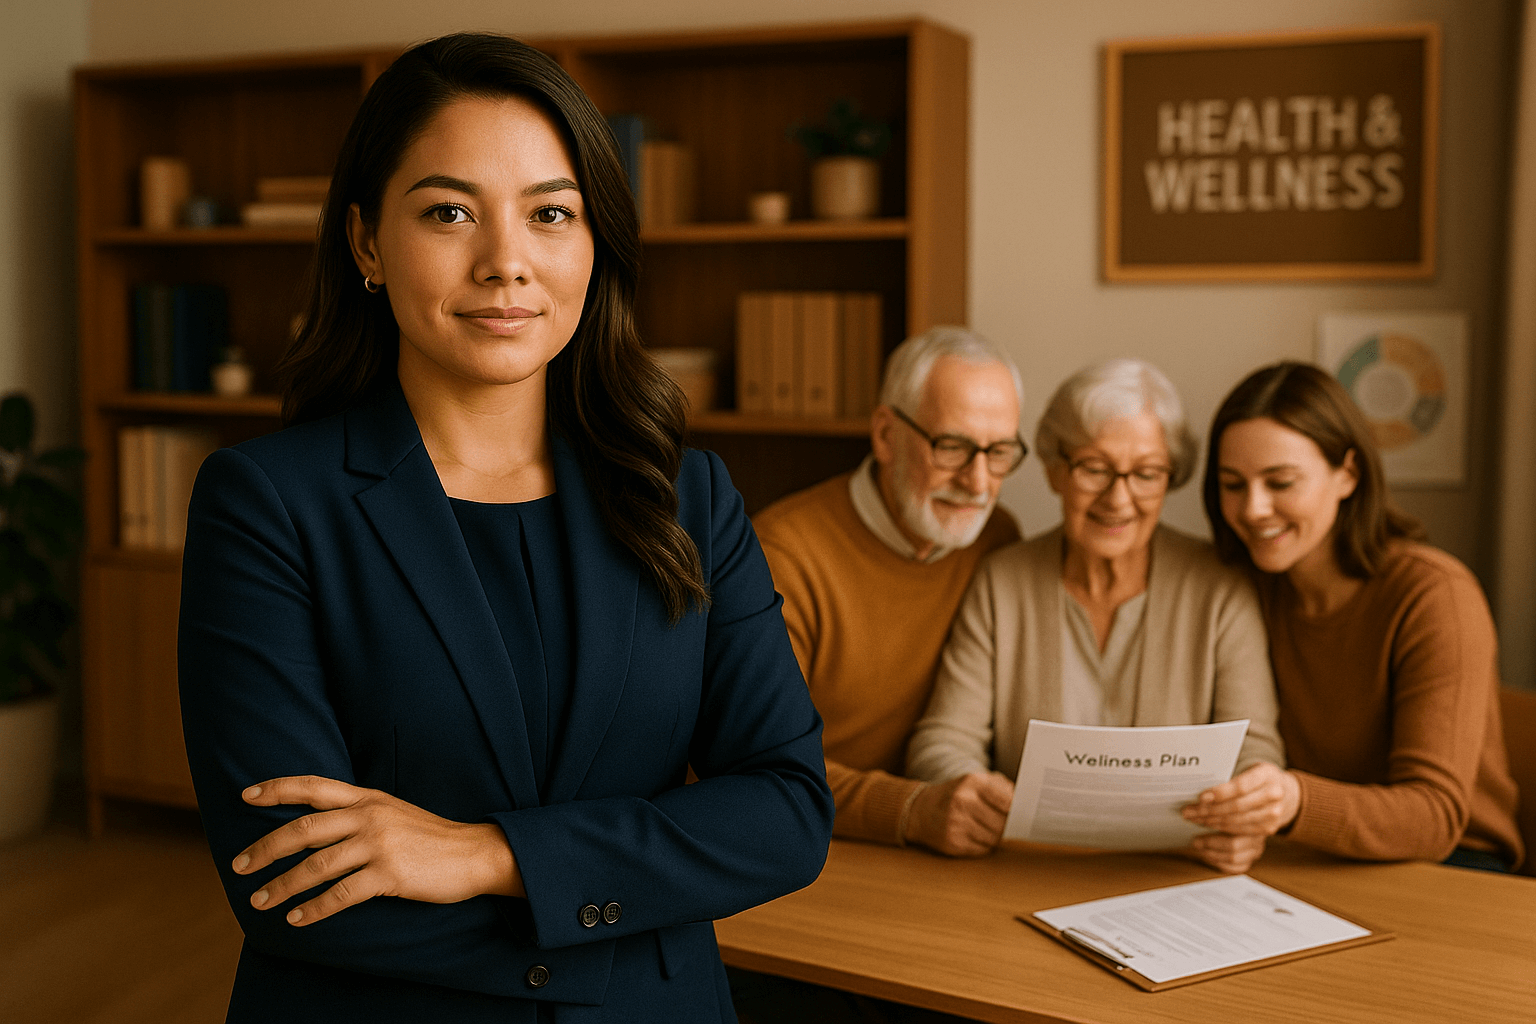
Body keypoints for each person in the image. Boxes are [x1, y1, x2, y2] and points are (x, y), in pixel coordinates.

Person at [176, 33, 833, 1024]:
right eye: (449, 212)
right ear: (365, 242)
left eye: (550, 214)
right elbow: (298, 889)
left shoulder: (690, 498)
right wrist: (623, 915)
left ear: (594, 241)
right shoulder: (265, 503)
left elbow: (785, 813)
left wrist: (485, 854)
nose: (505, 263)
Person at [907, 358, 1285, 874]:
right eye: (1094, 468)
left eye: (1147, 474)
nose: (1119, 498)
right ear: (1054, 469)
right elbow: (943, 738)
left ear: (1169, 478)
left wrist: (1245, 813)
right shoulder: (1003, 580)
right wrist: (970, 793)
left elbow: (1254, 747)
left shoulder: (1221, 587)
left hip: (1178, 875)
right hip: (1021, 870)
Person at [1185, 361, 1524, 872]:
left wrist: (1294, 801)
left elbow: (1434, 816)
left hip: (1454, 866)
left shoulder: (1434, 596)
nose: (1253, 509)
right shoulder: (1242, 586)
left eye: (1280, 482)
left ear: (1348, 474)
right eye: (1233, 484)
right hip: (1304, 854)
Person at [753, 326, 1024, 855]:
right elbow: (760, 764)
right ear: (884, 435)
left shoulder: (996, 539)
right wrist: (909, 809)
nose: (978, 482)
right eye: (952, 447)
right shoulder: (784, 555)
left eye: (999, 453)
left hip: (937, 849)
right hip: (806, 846)